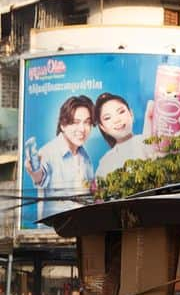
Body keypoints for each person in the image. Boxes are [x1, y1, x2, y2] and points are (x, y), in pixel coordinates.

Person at [25, 95, 95, 225]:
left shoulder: (85, 156)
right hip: (55, 233)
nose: (82, 129)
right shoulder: (48, 153)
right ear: (63, 124)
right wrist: (34, 170)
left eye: (87, 122)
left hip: (82, 229)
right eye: (76, 122)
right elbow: (40, 175)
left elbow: (91, 193)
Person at [93, 92, 157, 181]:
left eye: (121, 112)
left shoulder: (148, 139)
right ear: (102, 127)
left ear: (131, 113)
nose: (117, 120)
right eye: (108, 118)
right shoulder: (105, 162)